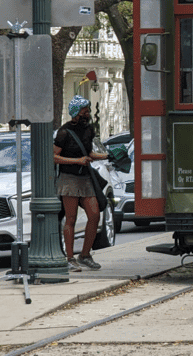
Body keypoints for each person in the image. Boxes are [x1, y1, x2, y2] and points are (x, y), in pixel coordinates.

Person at [53, 95, 108, 272]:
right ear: (75, 113)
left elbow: (89, 153)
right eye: (84, 112)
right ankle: (70, 259)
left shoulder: (88, 130)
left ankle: (85, 255)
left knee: (95, 215)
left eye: (88, 111)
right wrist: (77, 161)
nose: (88, 114)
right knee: (71, 219)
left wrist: (107, 156)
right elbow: (53, 157)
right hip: (68, 179)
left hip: (85, 179)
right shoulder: (64, 132)